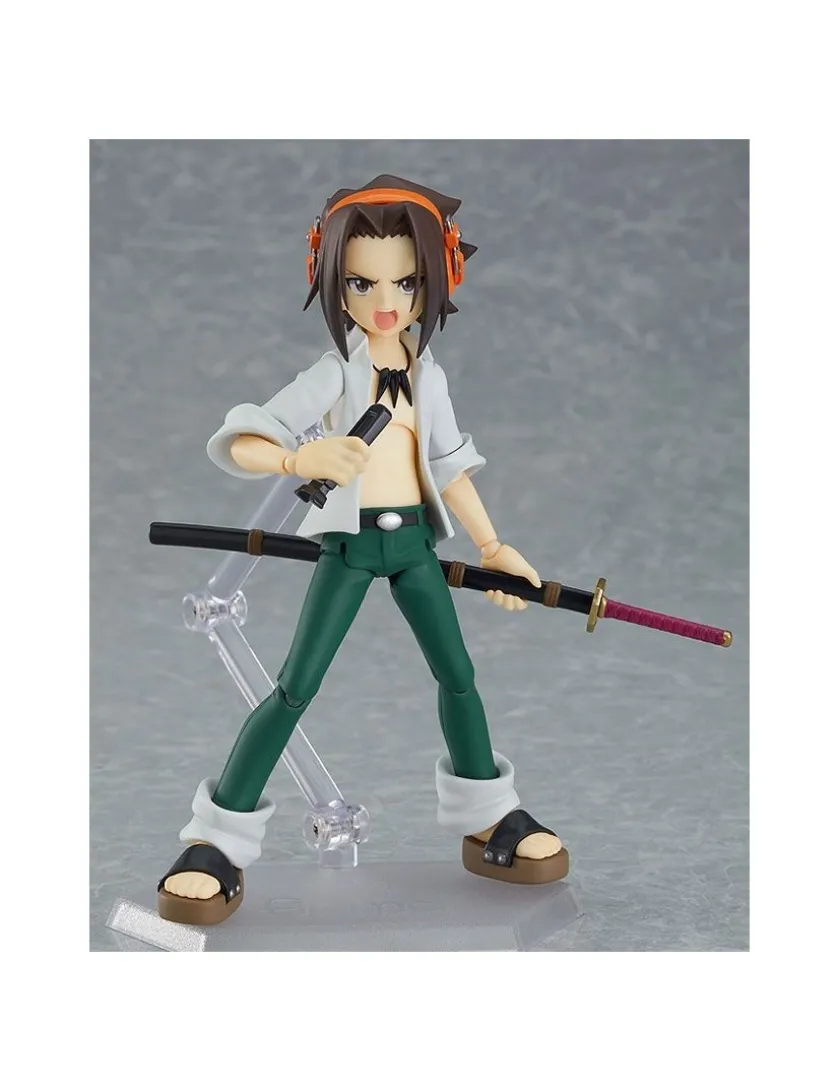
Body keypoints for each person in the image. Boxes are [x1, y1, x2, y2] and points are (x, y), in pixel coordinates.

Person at [158, 175, 568, 926]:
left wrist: (494, 546)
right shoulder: (335, 374)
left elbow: (450, 466)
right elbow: (244, 435)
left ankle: (489, 818)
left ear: (435, 282)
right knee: (294, 687)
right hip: (349, 547)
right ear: (332, 282)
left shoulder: (428, 376)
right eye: (361, 282)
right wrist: (296, 458)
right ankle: (217, 842)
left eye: (406, 282)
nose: (385, 301)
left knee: (458, 675)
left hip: (413, 545)